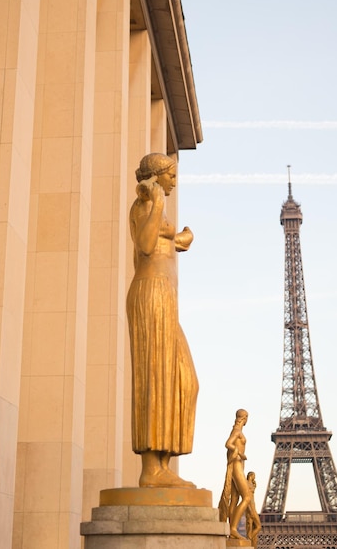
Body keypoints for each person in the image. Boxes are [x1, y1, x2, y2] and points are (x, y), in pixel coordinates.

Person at [126, 153, 199, 488]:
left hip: (166, 297)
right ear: (158, 176)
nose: (175, 180)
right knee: (155, 377)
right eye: (171, 174)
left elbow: (164, 241)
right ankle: (151, 471)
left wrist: (181, 238)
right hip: (151, 294)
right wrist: (155, 203)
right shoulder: (144, 205)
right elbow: (144, 244)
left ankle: (164, 465)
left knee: (184, 381)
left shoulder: (158, 210)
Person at [218, 409, 251, 539]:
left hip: (239, 466)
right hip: (237, 465)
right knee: (247, 497)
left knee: (234, 499)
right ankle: (232, 528)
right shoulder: (237, 431)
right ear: (245, 418)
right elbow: (228, 444)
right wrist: (240, 453)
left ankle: (232, 529)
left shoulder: (238, 431)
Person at [246, 471, 262, 548]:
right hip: (250, 508)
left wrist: (254, 486)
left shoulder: (251, 484)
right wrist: (249, 509)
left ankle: (249, 539)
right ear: (251, 475)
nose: (255, 477)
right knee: (250, 526)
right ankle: (248, 540)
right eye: (254, 475)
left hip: (253, 507)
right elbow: (246, 498)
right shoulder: (246, 484)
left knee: (257, 526)